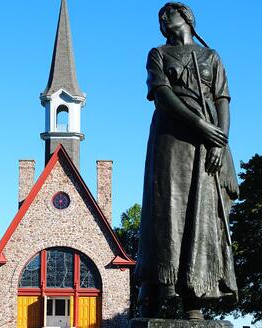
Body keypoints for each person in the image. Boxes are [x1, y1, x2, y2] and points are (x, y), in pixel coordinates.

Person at [135, 2, 239, 320]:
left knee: (201, 214)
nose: (164, 20)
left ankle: (194, 296)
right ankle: (155, 290)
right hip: (171, 139)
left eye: (169, 14)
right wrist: (200, 125)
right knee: (166, 213)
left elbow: (222, 98)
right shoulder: (158, 54)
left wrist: (220, 140)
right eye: (161, 18)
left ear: (186, 18)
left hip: (206, 145)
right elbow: (163, 95)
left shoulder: (211, 57)